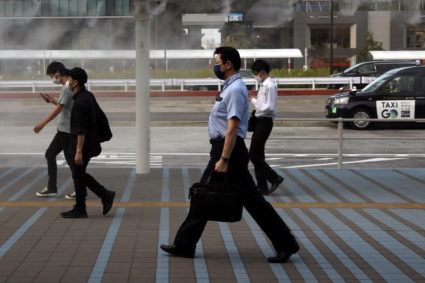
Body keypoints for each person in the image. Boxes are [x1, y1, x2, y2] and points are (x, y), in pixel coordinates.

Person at [160, 46, 299, 263]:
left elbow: (233, 125)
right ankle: (185, 244)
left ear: (228, 64)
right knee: (207, 194)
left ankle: (286, 244)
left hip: (229, 151)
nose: (214, 65)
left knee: (249, 201)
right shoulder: (229, 87)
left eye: (217, 62)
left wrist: (224, 158)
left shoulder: (235, 89)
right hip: (223, 149)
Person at [60, 67, 115, 218]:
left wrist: (78, 151)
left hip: (83, 145)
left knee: (78, 174)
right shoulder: (87, 95)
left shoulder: (80, 103)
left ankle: (83, 207)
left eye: (69, 79)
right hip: (91, 143)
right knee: (79, 174)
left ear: (75, 82)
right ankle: (100, 197)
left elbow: (81, 130)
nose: (67, 82)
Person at [34, 61, 78, 199]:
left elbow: (60, 108)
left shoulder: (67, 88)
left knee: (70, 160)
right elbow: (65, 106)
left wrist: (42, 123)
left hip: (67, 130)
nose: (52, 80)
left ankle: (80, 189)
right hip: (63, 130)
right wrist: (53, 101)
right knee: (50, 154)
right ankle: (52, 187)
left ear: (57, 73)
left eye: (51, 76)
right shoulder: (68, 85)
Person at [249, 59, 284, 195]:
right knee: (258, 155)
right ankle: (261, 186)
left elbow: (268, 107)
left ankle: (274, 178)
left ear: (262, 71)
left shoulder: (269, 85)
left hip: (265, 121)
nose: (255, 75)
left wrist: (252, 100)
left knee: (253, 154)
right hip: (260, 121)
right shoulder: (264, 84)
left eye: (255, 73)